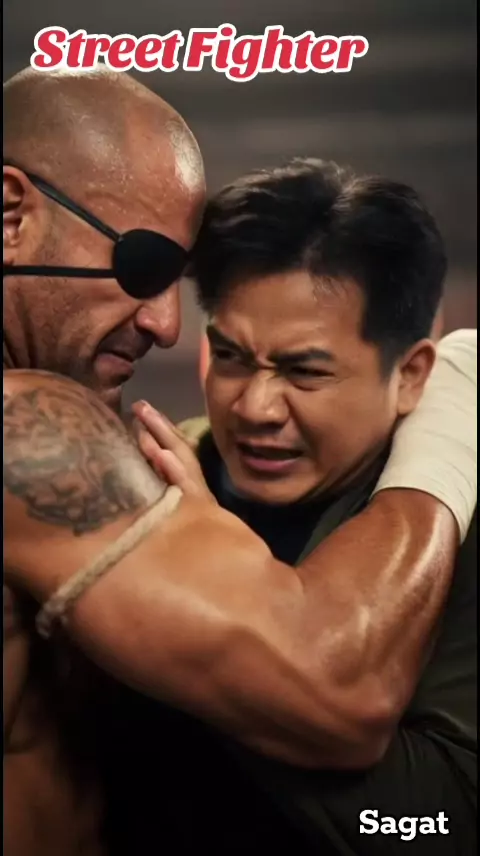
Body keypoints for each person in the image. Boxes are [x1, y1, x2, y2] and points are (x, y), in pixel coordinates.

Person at [4, 162, 476, 854]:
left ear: (410, 375)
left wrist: (219, 650)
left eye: (304, 371)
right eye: (229, 356)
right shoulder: (148, 485)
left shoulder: (459, 541)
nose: (255, 407)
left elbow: (443, 826)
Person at [3, 65, 205, 856]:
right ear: (11, 217)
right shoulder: (30, 429)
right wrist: (447, 441)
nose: (167, 325)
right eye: (145, 267)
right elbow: (342, 701)